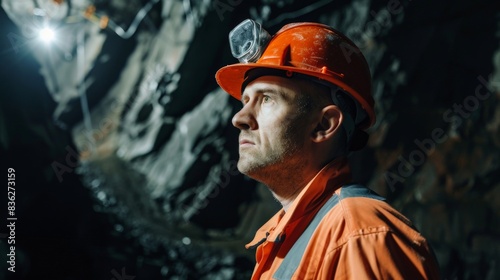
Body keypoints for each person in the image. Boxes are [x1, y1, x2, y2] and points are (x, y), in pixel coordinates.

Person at [215, 19, 441, 280]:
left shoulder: (361, 236)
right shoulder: (285, 239)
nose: (239, 118)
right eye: (245, 101)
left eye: (267, 99)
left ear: (324, 125)